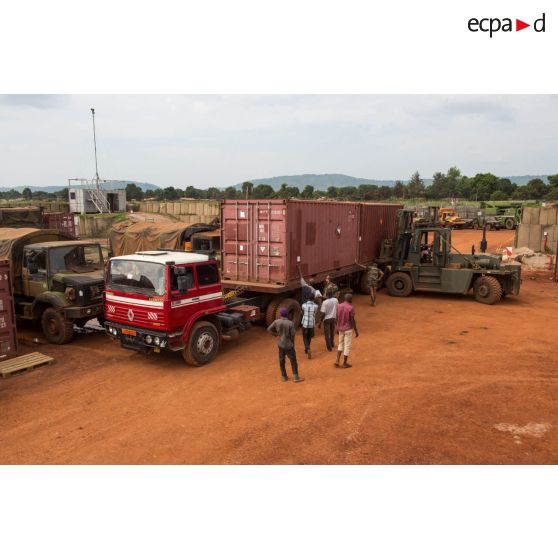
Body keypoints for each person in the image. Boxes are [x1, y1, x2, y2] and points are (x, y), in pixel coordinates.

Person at [267, 307, 304, 383]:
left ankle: (284, 377)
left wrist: (275, 334)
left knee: (281, 360)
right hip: (288, 344)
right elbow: (293, 335)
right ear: (287, 315)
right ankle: (296, 377)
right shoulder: (290, 323)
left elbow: (268, 329)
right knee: (293, 361)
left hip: (280, 344)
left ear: (281, 314)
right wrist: (293, 344)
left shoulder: (276, 321)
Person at [335, 293, 359, 369]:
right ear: (350, 299)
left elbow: (337, 317)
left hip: (340, 328)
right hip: (348, 329)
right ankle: (344, 363)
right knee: (347, 345)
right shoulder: (350, 308)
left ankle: (337, 360)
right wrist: (356, 330)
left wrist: (337, 327)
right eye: (351, 298)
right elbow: (352, 320)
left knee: (340, 344)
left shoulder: (339, 306)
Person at [301, 293, 319, 359]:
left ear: (308, 298)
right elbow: (315, 313)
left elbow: (303, 312)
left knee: (305, 337)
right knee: (309, 337)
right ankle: (307, 348)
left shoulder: (303, 305)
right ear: (313, 298)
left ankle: (307, 348)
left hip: (305, 323)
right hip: (311, 324)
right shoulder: (316, 306)